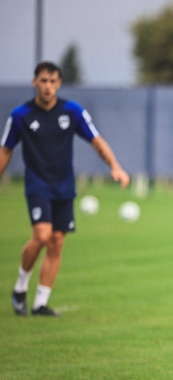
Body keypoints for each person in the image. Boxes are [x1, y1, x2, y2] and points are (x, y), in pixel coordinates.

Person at [0, 61, 130, 316]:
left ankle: (40, 303)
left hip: (64, 186)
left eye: (52, 81)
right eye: (43, 81)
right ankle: (20, 287)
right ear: (34, 82)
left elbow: (96, 140)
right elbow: (5, 150)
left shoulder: (72, 112)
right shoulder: (20, 115)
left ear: (59, 84)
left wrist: (115, 166)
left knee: (57, 242)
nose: (48, 86)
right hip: (37, 184)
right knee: (42, 236)